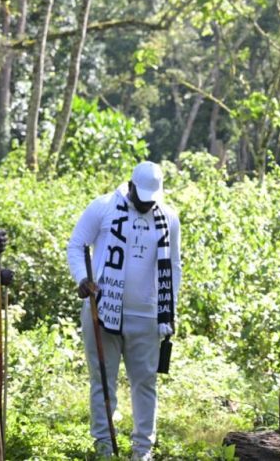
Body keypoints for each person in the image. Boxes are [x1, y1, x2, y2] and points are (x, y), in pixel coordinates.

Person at [67, 161, 181, 460]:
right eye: (140, 198)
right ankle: (104, 446)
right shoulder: (103, 207)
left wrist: (169, 311)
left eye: (150, 200)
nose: (145, 205)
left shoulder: (168, 217)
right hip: (103, 310)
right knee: (103, 380)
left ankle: (142, 450)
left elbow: (174, 266)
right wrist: (83, 278)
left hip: (147, 315)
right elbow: (77, 245)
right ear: (130, 187)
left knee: (145, 383)